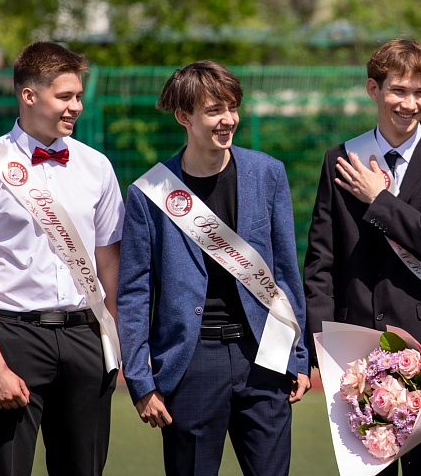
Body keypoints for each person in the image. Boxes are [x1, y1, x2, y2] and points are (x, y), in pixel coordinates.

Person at [117, 61, 309, 476]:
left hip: (265, 354)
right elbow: (134, 293)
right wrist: (140, 380)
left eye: (232, 107)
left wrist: (297, 355)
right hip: (191, 361)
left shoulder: (268, 173)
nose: (228, 119)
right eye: (214, 110)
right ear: (183, 117)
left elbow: (285, 272)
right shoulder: (148, 193)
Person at [304, 38, 421, 475]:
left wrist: (379, 200)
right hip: (355, 349)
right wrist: (322, 342)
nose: (410, 103)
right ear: (373, 89)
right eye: (398, 90)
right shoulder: (340, 159)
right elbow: (321, 261)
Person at [0, 42, 124, 475]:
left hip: (86, 336)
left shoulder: (97, 167)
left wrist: (116, 343)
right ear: (29, 95)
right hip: (12, 337)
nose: (76, 106)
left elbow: (110, 265)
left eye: (78, 96)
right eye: (65, 96)